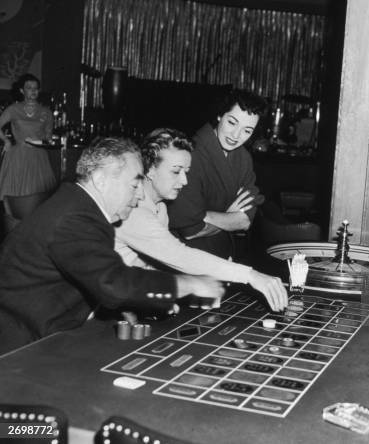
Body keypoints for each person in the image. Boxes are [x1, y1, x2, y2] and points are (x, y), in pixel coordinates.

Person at [0, 137, 223, 356]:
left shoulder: (77, 205)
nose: (139, 195)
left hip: (39, 329)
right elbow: (113, 283)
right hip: (18, 347)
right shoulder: (76, 218)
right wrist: (187, 283)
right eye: (135, 184)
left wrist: (123, 304)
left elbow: (90, 274)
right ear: (100, 179)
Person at [114, 128, 287, 312]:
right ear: (149, 169)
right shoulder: (132, 210)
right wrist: (251, 275)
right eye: (176, 171)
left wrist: (165, 295)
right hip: (93, 315)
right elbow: (179, 255)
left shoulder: (161, 208)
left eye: (186, 171)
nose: (184, 181)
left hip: (123, 304)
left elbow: (150, 265)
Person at [167, 89, 266, 259]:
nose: (236, 135)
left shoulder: (243, 158)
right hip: (185, 256)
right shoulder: (191, 154)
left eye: (247, 131)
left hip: (222, 253)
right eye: (232, 122)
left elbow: (246, 219)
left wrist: (205, 216)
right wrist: (230, 217)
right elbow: (190, 230)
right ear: (220, 115)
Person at [0, 73, 56, 203]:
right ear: (22, 90)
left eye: (36, 88)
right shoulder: (13, 109)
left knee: (38, 200)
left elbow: (48, 138)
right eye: (29, 88)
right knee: (15, 199)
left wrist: (44, 141)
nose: (33, 91)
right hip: (18, 156)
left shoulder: (46, 112)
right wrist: (6, 141)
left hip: (39, 157)